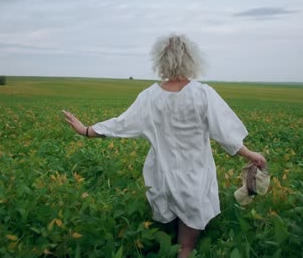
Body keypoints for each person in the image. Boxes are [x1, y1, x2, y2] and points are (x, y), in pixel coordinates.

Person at [63, 34, 266, 258]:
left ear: (160, 60)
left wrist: (86, 130)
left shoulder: (149, 97)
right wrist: (250, 154)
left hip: (162, 178)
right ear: (192, 59)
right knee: (186, 247)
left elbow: (121, 124)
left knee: (170, 227)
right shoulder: (203, 94)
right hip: (194, 177)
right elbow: (226, 135)